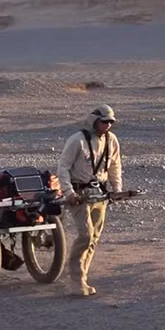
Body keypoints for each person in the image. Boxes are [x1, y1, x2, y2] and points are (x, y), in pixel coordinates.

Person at [57, 104, 122, 296]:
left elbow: (115, 165)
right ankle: (77, 280)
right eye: (104, 121)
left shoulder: (111, 140)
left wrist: (117, 189)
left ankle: (82, 275)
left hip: (100, 194)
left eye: (110, 122)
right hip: (79, 194)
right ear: (94, 121)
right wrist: (68, 192)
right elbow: (63, 167)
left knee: (94, 238)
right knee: (85, 235)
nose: (107, 125)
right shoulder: (77, 140)